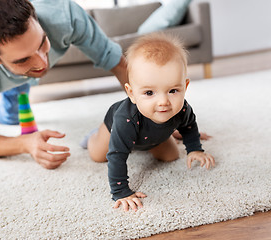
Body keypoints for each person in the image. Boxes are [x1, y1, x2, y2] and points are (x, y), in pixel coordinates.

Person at [0, 0, 127, 169]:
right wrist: (25, 143)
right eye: (23, 59)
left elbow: (118, 63)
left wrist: (143, 106)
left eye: (42, 43)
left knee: (12, 116)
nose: (42, 64)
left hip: (9, 69)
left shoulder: (64, 14)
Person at [84, 33, 215, 212]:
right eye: (149, 93)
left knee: (171, 156)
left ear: (185, 86)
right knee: (98, 155)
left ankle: (167, 133)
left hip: (151, 136)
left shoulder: (182, 108)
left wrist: (194, 148)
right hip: (116, 128)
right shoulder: (126, 119)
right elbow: (117, 156)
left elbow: (189, 125)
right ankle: (93, 136)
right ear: (131, 93)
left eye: (173, 90)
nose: (163, 102)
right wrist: (121, 191)